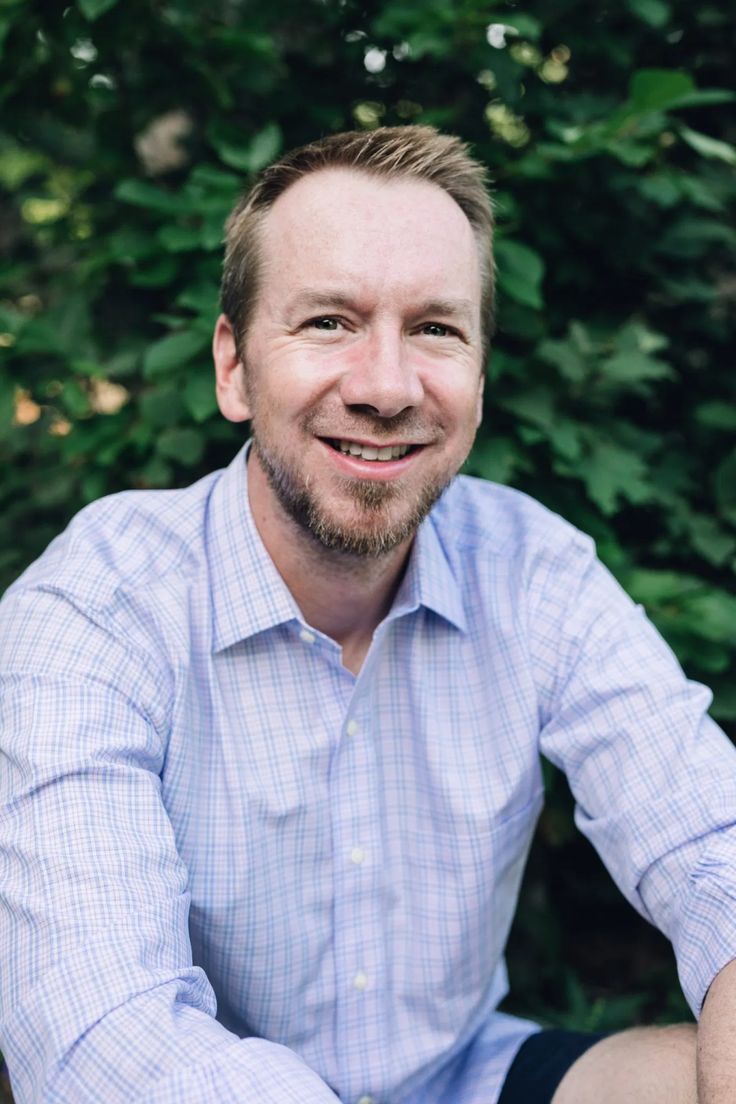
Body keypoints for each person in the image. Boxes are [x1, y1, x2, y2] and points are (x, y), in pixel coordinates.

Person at [0, 125, 735, 1104]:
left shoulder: (533, 571)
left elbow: (710, 845)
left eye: (435, 328)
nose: (387, 388)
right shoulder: (92, 610)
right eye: (328, 323)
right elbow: (99, 1029)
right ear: (232, 368)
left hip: (464, 1078)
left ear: (478, 375)